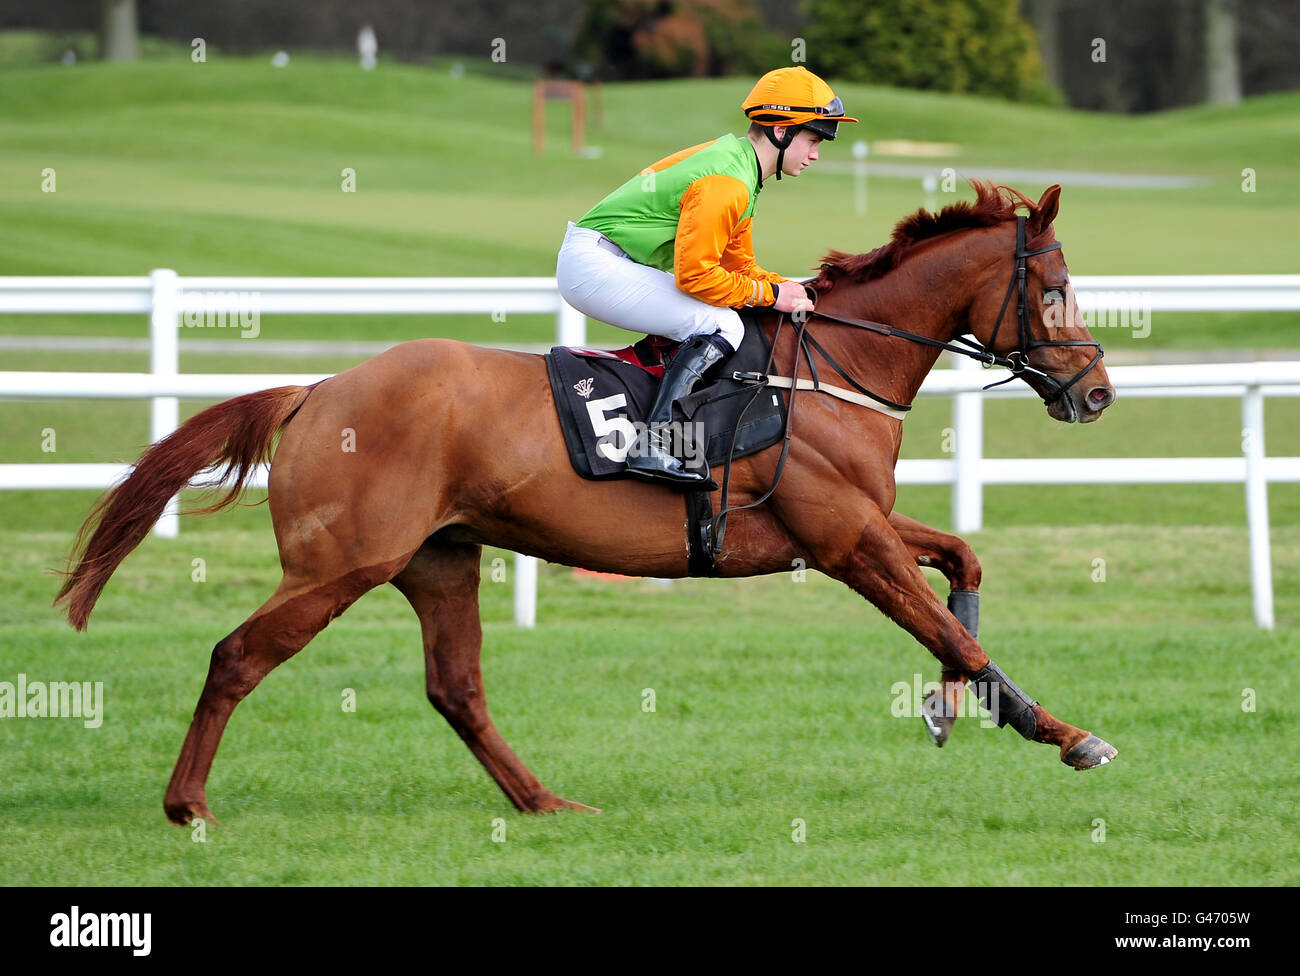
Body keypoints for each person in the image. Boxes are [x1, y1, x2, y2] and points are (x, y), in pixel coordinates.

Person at [556, 66, 857, 487]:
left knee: (727, 315)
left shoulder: (741, 169)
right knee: (721, 323)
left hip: (609, 259)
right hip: (595, 265)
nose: (815, 154)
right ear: (782, 131)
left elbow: (738, 267)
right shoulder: (728, 182)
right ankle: (654, 444)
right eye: (812, 139)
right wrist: (771, 296)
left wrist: (790, 288)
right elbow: (696, 277)